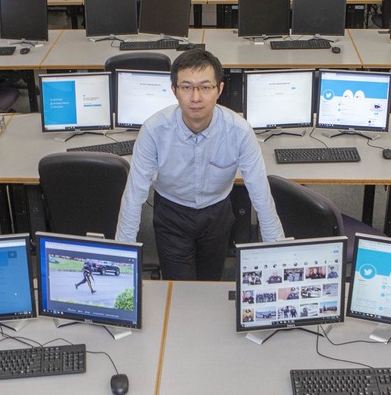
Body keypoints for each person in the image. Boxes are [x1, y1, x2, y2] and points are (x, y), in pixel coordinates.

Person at [115, 49, 284, 280]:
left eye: (205, 87)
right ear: (174, 90)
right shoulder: (154, 130)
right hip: (171, 212)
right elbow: (134, 195)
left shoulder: (239, 131)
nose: (196, 97)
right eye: (186, 87)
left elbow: (260, 194)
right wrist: (122, 254)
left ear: (219, 90)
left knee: (209, 283)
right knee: (178, 288)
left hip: (217, 212)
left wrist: (278, 251)